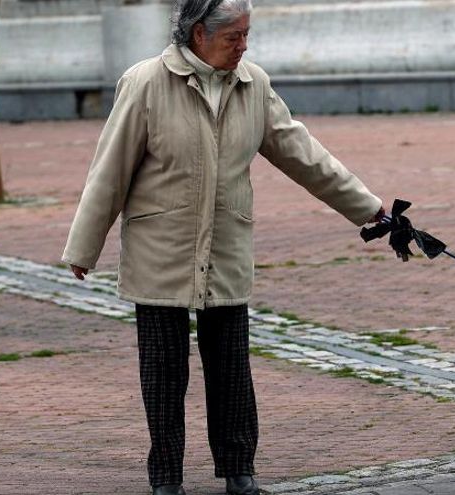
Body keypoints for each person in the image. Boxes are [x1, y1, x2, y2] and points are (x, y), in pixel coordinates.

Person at [62, 0, 385, 493]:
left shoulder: (253, 84)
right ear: (198, 35)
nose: (244, 46)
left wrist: (369, 208)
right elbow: (109, 171)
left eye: (247, 34)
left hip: (227, 249)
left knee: (232, 371)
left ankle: (240, 473)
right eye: (234, 36)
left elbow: (303, 155)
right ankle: (166, 479)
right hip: (160, 252)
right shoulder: (145, 83)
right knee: (164, 377)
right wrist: (84, 248)